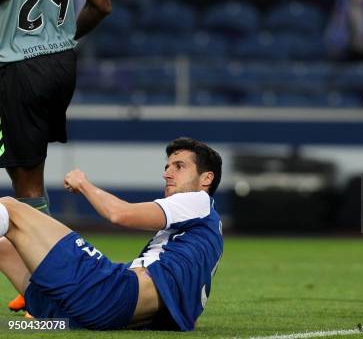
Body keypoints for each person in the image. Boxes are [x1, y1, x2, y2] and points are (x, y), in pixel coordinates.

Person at [0, 137, 223, 330]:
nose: (167, 174)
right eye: (167, 167)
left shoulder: (199, 201)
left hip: (110, 297)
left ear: (206, 179)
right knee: (4, 247)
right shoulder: (205, 235)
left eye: (179, 166)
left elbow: (120, 214)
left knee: (11, 207)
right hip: (106, 317)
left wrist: (83, 184)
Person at [0, 0, 111, 312]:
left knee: (26, 182)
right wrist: (64, 38)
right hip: (60, 65)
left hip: (16, 66)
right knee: (26, 174)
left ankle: (47, 288)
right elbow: (101, 3)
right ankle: (38, 282)